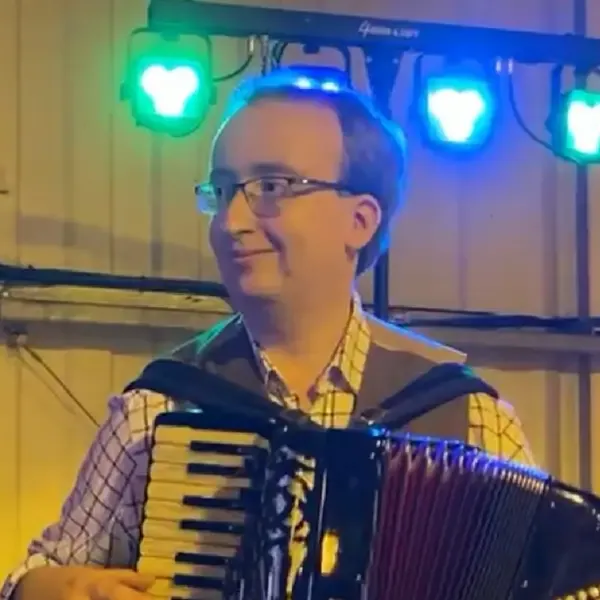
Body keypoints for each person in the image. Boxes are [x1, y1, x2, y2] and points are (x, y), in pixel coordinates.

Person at [0, 69, 535, 600]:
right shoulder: (158, 408)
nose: (231, 221)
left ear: (361, 220)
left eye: (272, 187)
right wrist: (57, 589)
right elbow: (36, 575)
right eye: (223, 189)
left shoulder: (471, 419)